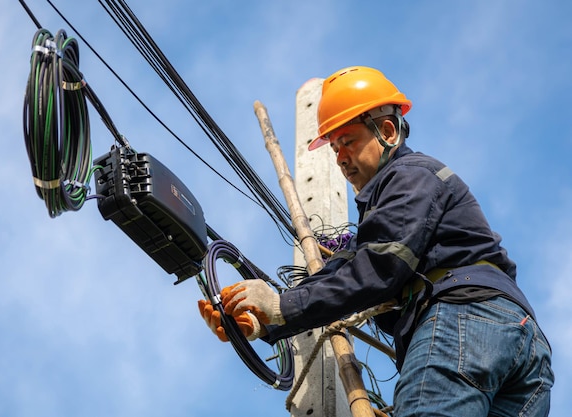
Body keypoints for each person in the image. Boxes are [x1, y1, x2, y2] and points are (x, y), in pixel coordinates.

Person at [198, 66, 553, 416]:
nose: (340, 158)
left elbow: (377, 269)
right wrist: (264, 320)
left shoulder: (410, 176)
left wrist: (281, 306)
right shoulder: (392, 208)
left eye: (348, 142)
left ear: (387, 131)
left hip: (466, 320)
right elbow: (346, 269)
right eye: (334, 148)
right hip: (518, 342)